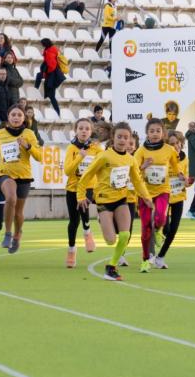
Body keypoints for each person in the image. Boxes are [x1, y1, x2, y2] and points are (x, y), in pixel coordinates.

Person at [78, 122, 155, 281]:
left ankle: (111, 267)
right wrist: (80, 196)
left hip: (121, 199)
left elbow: (137, 180)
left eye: (125, 138)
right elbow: (87, 175)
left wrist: (146, 197)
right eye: (119, 137)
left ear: (129, 141)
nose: (122, 140)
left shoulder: (130, 159)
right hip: (104, 201)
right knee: (110, 240)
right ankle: (103, 219)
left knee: (125, 235)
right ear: (113, 138)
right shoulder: (104, 156)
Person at [0, 105, 39, 254]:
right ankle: (8, 233)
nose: (16, 117)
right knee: (11, 198)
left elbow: (39, 156)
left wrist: (27, 146)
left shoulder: (29, 133)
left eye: (19, 115)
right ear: (8, 117)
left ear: (24, 118)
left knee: (18, 212)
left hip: (24, 175)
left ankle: (17, 235)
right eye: (13, 114)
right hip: (5, 173)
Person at [135, 118, 181, 271]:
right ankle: (146, 259)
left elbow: (175, 165)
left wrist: (180, 174)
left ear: (163, 133)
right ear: (147, 133)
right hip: (145, 192)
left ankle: (158, 229)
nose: (155, 134)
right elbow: (134, 170)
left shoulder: (169, 149)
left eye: (158, 131)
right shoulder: (141, 151)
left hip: (163, 190)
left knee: (160, 218)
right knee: (145, 226)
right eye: (151, 131)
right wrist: (143, 166)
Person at [62, 118, 101, 269]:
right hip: (72, 187)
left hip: (88, 187)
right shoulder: (72, 148)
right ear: (76, 130)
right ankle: (72, 249)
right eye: (81, 128)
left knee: (83, 204)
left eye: (87, 128)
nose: (84, 131)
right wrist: (80, 156)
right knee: (73, 222)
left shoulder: (97, 148)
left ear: (91, 132)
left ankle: (87, 231)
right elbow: (67, 171)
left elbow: (103, 163)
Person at [157, 129, 189, 266]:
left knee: (173, 230)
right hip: (164, 196)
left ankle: (161, 257)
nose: (175, 146)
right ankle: (152, 246)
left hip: (178, 197)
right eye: (171, 144)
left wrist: (186, 180)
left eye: (177, 143)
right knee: (165, 226)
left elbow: (186, 181)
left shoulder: (185, 158)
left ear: (181, 143)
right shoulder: (164, 158)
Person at [37, 37, 68, 117]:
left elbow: (51, 65)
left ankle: (56, 112)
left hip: (52, 75)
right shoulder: (53, 49)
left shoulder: (49, 52)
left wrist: (45, 73)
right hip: (54, 75)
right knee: (49, 93)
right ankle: (53, 111)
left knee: (51, 95)